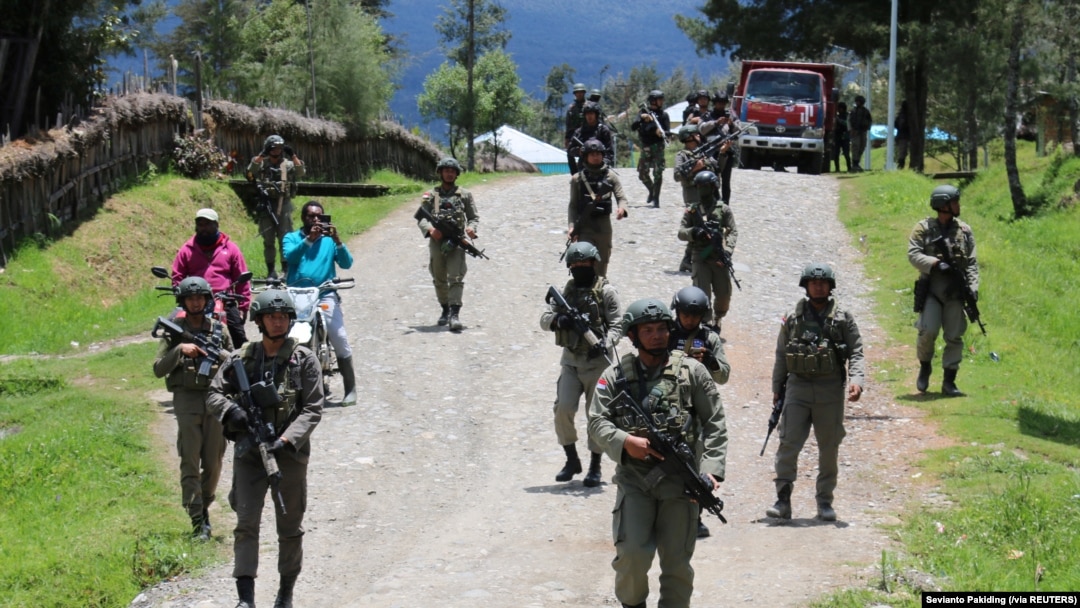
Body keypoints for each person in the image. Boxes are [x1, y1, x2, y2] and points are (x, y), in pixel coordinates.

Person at [587, 298, 728, 608]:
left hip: (681, 484)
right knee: (633, 555)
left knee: (677, 565)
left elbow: (714, 421)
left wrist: (711, 470)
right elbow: (596, 422)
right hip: (635, 481)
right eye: (647, 330)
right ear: (633, 336)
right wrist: (625, 442)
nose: (657, 335)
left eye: (662, 329)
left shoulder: (692, 372)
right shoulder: (615, 376)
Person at [207, 289, 323, 608]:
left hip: (288, 457)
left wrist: (285, 440)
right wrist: (234, 412)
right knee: (246, 525)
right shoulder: (242, 358)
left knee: (289, 526)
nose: (277, 322)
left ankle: (285, 592)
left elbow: (313, 408)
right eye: (271, 317)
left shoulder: (304, 359)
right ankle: (245, 598)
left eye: (283, 316)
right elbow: (214, 394)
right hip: (249, 455)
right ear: (259, 320)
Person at [767, 263, 864, 522]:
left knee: (829, 447)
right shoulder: (793, 316)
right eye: (813, 282)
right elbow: (781, 354)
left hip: (829, 388)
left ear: (830, 287)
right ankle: (783, 499)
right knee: (788, 443)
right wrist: (777, 388)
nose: (818, 286)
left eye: (823, 283)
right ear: (806, 286)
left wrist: (857, 380)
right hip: (797, 387)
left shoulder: (843, 317)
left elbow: (856, 350)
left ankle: (824, 501)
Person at [153, 276, 234, 541]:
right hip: (186, 400)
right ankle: (197, 518)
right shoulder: (173, 330)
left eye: (200, 297)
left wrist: (216, 354)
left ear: (207, 300)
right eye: (191, 298)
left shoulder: (219, 330)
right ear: (183, 301)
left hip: (215, 399)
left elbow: (235, 364)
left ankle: (205, 505)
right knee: (189, 458)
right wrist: (180, 349)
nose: (196, 302)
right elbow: (158, 369)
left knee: (214, 461)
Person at [540, 241, 623, 487]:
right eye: (574, 266)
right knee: (563, 408)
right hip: (571, 362)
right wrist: (559, 320)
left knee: (595, 415)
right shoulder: (566, 291)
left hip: (598, 364)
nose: (579, 269)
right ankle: (571, 459)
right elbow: (544, 319)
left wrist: (605, 343)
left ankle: (595, 466)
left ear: (594, 264)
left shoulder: (607, 292)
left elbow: (618, 325)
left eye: (584, 264)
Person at [668, 285, 731, 540]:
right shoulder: (666, 334)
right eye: (685, 314)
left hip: (698, 405)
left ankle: (696, 518)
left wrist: (710, 361)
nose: (689, 319)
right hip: (669, 401)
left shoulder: (710, 339)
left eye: (695, 315)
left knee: (696, 459)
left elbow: (724, 375)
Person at [283, 200, 357, 406]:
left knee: (338, 335)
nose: (315, 220)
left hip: (325, 293)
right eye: (311, 216)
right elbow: (290, 257)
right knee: (287, 337)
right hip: (297, 294)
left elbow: (346, 263)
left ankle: (350, 388)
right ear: (303, 218)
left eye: (319, 216)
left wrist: (338, 240)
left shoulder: (330, 241)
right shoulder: (291, 237)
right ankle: (292, 386)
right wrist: (309, 239)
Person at [907, 185, 979, 396]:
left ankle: (949, 381)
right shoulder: (923, 228)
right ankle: (925, 365)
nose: (959, 205)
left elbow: (972, 262)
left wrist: (973, 288)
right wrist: (936, 264)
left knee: (955, 335)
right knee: (928, 330)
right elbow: (913, 254)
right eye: (955, 201)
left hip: (956, 292)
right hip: (932, 290)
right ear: (943, 205)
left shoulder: (964, 231)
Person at [416, 157, 480, 331]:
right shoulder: (432, 195)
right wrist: (430, 230)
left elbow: (473, 217)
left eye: (452, 171)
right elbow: (421, 217)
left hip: (456, 241)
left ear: (457, 174)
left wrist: (471, 229)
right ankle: (444, 308)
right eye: (446, 170)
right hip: (437, 241)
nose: (449, 174)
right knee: (439, 277)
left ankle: (454, 314)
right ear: (440, 173)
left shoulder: (464, 194)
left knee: (456, 277)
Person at [172, 207, 251, 347]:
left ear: (217, 225)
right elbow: (177, 275)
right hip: (195, 299)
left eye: (208, 224)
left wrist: (243, 307)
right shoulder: (187, 250)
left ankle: (242, 365)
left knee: (238, 337)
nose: (204, 228)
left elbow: (241, 278)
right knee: (173, 329)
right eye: (200, 224)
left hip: (225, 301)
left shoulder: (231, 249)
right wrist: (179, 291)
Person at [677, 171, 738, 333]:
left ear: (712, 187)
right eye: (698, 186)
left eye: (704, 186)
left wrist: (728, 251)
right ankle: (705, 324)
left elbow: (733, 231)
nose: (701, 190)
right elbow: (681, 232)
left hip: (719, 256)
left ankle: (718, 317)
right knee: (702, 294)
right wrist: (694, 232)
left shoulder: (723, 209)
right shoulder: (692, 210)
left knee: (724, 295)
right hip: (700, 256)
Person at [567, 138, 628, 278]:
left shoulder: (611, 177)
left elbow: (621, 197)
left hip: (603, 224)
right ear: (586, 157)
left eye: (598, 154)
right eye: (592, 154)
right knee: (583, 257)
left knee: (603, 258)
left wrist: (622, 209)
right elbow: (573, 206)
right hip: (585, 225)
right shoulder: (577, 179)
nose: (596, 157)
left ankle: (601, 285)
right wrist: (571, 226)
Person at [248, 134, 305, 279]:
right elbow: (250, 172)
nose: (276, 151)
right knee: (268, 240)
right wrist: (262, 155)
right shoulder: (261, 163)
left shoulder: (287, 164)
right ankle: (271, 270)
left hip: (283, 205)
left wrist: (293, 155)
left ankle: (286, 270)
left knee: (285, 238)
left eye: (280, 148)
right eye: (273, 148)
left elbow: (301, 172)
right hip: (266, 206)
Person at [674, 124, 720, 273]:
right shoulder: (682, 155)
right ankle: (689, 260)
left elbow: (717, 167)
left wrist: (723, 153)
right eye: (696, 134)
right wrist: (695, 168)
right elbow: (677, 175)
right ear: (689, 137)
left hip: (709, 194)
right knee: (698, 227)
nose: (699, 136)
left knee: (711, 226)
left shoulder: (704, 152)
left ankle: (696, 258)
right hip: (693, 195)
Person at [631, 89, 670, 207]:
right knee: (642, 173)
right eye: (659, 99)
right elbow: (633, 126)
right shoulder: (643, 112)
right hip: (646, 146)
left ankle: (656, 198)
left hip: (658, 146)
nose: (662, 102)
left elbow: (667, 131)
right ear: (653, 101)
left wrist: (661, 133)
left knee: (658, 172)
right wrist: (643, 118)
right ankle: (652, 190)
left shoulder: (663, 115)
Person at [700, 90, 739, 205]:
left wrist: (732, 124)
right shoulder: (708, 115)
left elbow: (739, 131)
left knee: (726, 181)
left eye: (723, 103)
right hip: (712, 152)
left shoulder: (731, 115)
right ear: (714, 103)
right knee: (713, 178)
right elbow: (702, 129)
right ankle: (716, 202)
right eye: (718, 103)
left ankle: (726, 204)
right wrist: (715, 123)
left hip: (727, 151)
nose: (721, 105)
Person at [571, 102, 615, 168]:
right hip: (584, 166)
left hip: (601, 166)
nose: (589, 116)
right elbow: (570, 149)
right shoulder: (579, 132)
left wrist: (604, 162)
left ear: (596, 115)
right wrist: (578, 151)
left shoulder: (603, 130)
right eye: (587, 114)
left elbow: (610, 151)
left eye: (591, 114)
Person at [565, 83, 588, 175]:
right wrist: (567, 138)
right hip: (574, 136)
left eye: (581, 92)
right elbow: (568, 124)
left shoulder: (588, 106)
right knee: (569, 154)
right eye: (577, 92)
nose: (579, 94)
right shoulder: (571, 109)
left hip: (587, 134)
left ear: (584, 93)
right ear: (575, 94)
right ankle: (574, 175)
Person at [848, 95, 872, 172]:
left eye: (859, 102)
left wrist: (867, 128)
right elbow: (849, 121)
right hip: (855, 131)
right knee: (855, 147)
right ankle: (854, 164)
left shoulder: (866, 111)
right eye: (857, 101)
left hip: (863, 131)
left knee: (862, 146)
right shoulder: (853, 111)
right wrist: (851, 129)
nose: (858, 103)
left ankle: (857, 162)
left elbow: (869, 120)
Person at [833, 102, 851, 173]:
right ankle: (837, 168)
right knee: (836, 153)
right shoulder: (837, 116)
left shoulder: (847, 116)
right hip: (837, 136)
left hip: (845, 136)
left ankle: (849, 168)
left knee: (846, 153)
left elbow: (847, 124)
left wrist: (839, 120)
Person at [895, 99, 911, 170]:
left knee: (903, 152)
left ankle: (901, 167)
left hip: (903, 136)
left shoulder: (902, 115)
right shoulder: (903, 115)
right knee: (902, 153)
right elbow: (900, 125)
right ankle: (900, 167)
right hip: (903, 136)